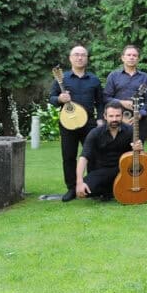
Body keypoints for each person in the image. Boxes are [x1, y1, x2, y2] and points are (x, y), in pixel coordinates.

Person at [50, 45, 104, 202]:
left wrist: (100, 118)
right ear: (70, 58)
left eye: (83, 55)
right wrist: (60, 99)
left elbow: (100, 102)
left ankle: (92, 187)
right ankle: (72, 188)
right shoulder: (62, 79)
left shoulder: (94, 79)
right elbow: (51, 98)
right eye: (76, 55)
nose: (80, 57)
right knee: (68, 156)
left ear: (87, 58)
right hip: (67, 123)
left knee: (93, 155)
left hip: (89, 123)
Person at [71, 101, 141, 202]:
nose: (114, 119)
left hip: (122, 171)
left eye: (117, 116)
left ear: (122, 116)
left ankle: (110, 191)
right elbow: (84, 157)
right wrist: (79, 182)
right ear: (105, 116)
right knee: (85, 191)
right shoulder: (95, 133)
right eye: (111, 116)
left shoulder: (130, 131)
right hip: (101, 171)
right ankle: (109, 191)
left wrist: (139, 149)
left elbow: (139, 156)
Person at [104, 45, 147, 141]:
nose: (131, 57)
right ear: (123, 58)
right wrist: (121, 102)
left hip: (139, 122)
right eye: (129, 55)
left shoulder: (145, 78)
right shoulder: (113, 76)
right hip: (117, 120)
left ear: (138, 59)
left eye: (134, 55)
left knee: (137, 148)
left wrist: (140, 114)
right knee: (116, 148)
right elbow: (106, 97)